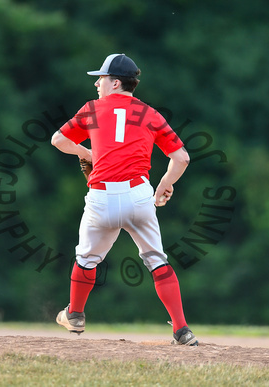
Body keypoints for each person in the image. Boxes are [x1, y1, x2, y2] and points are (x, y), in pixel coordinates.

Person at [50, 53, 197, 346]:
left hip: (102, 196)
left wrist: (86, 153)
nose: (97, 85)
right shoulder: (150, 113)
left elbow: (57, 139)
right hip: (139, 195)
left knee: (87, 259)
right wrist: (165, 184)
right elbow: (181, 157)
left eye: (101, 79)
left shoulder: (92, 109)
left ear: (115, 82)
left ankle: (76, 315)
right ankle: (182, 330)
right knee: (157, 260)